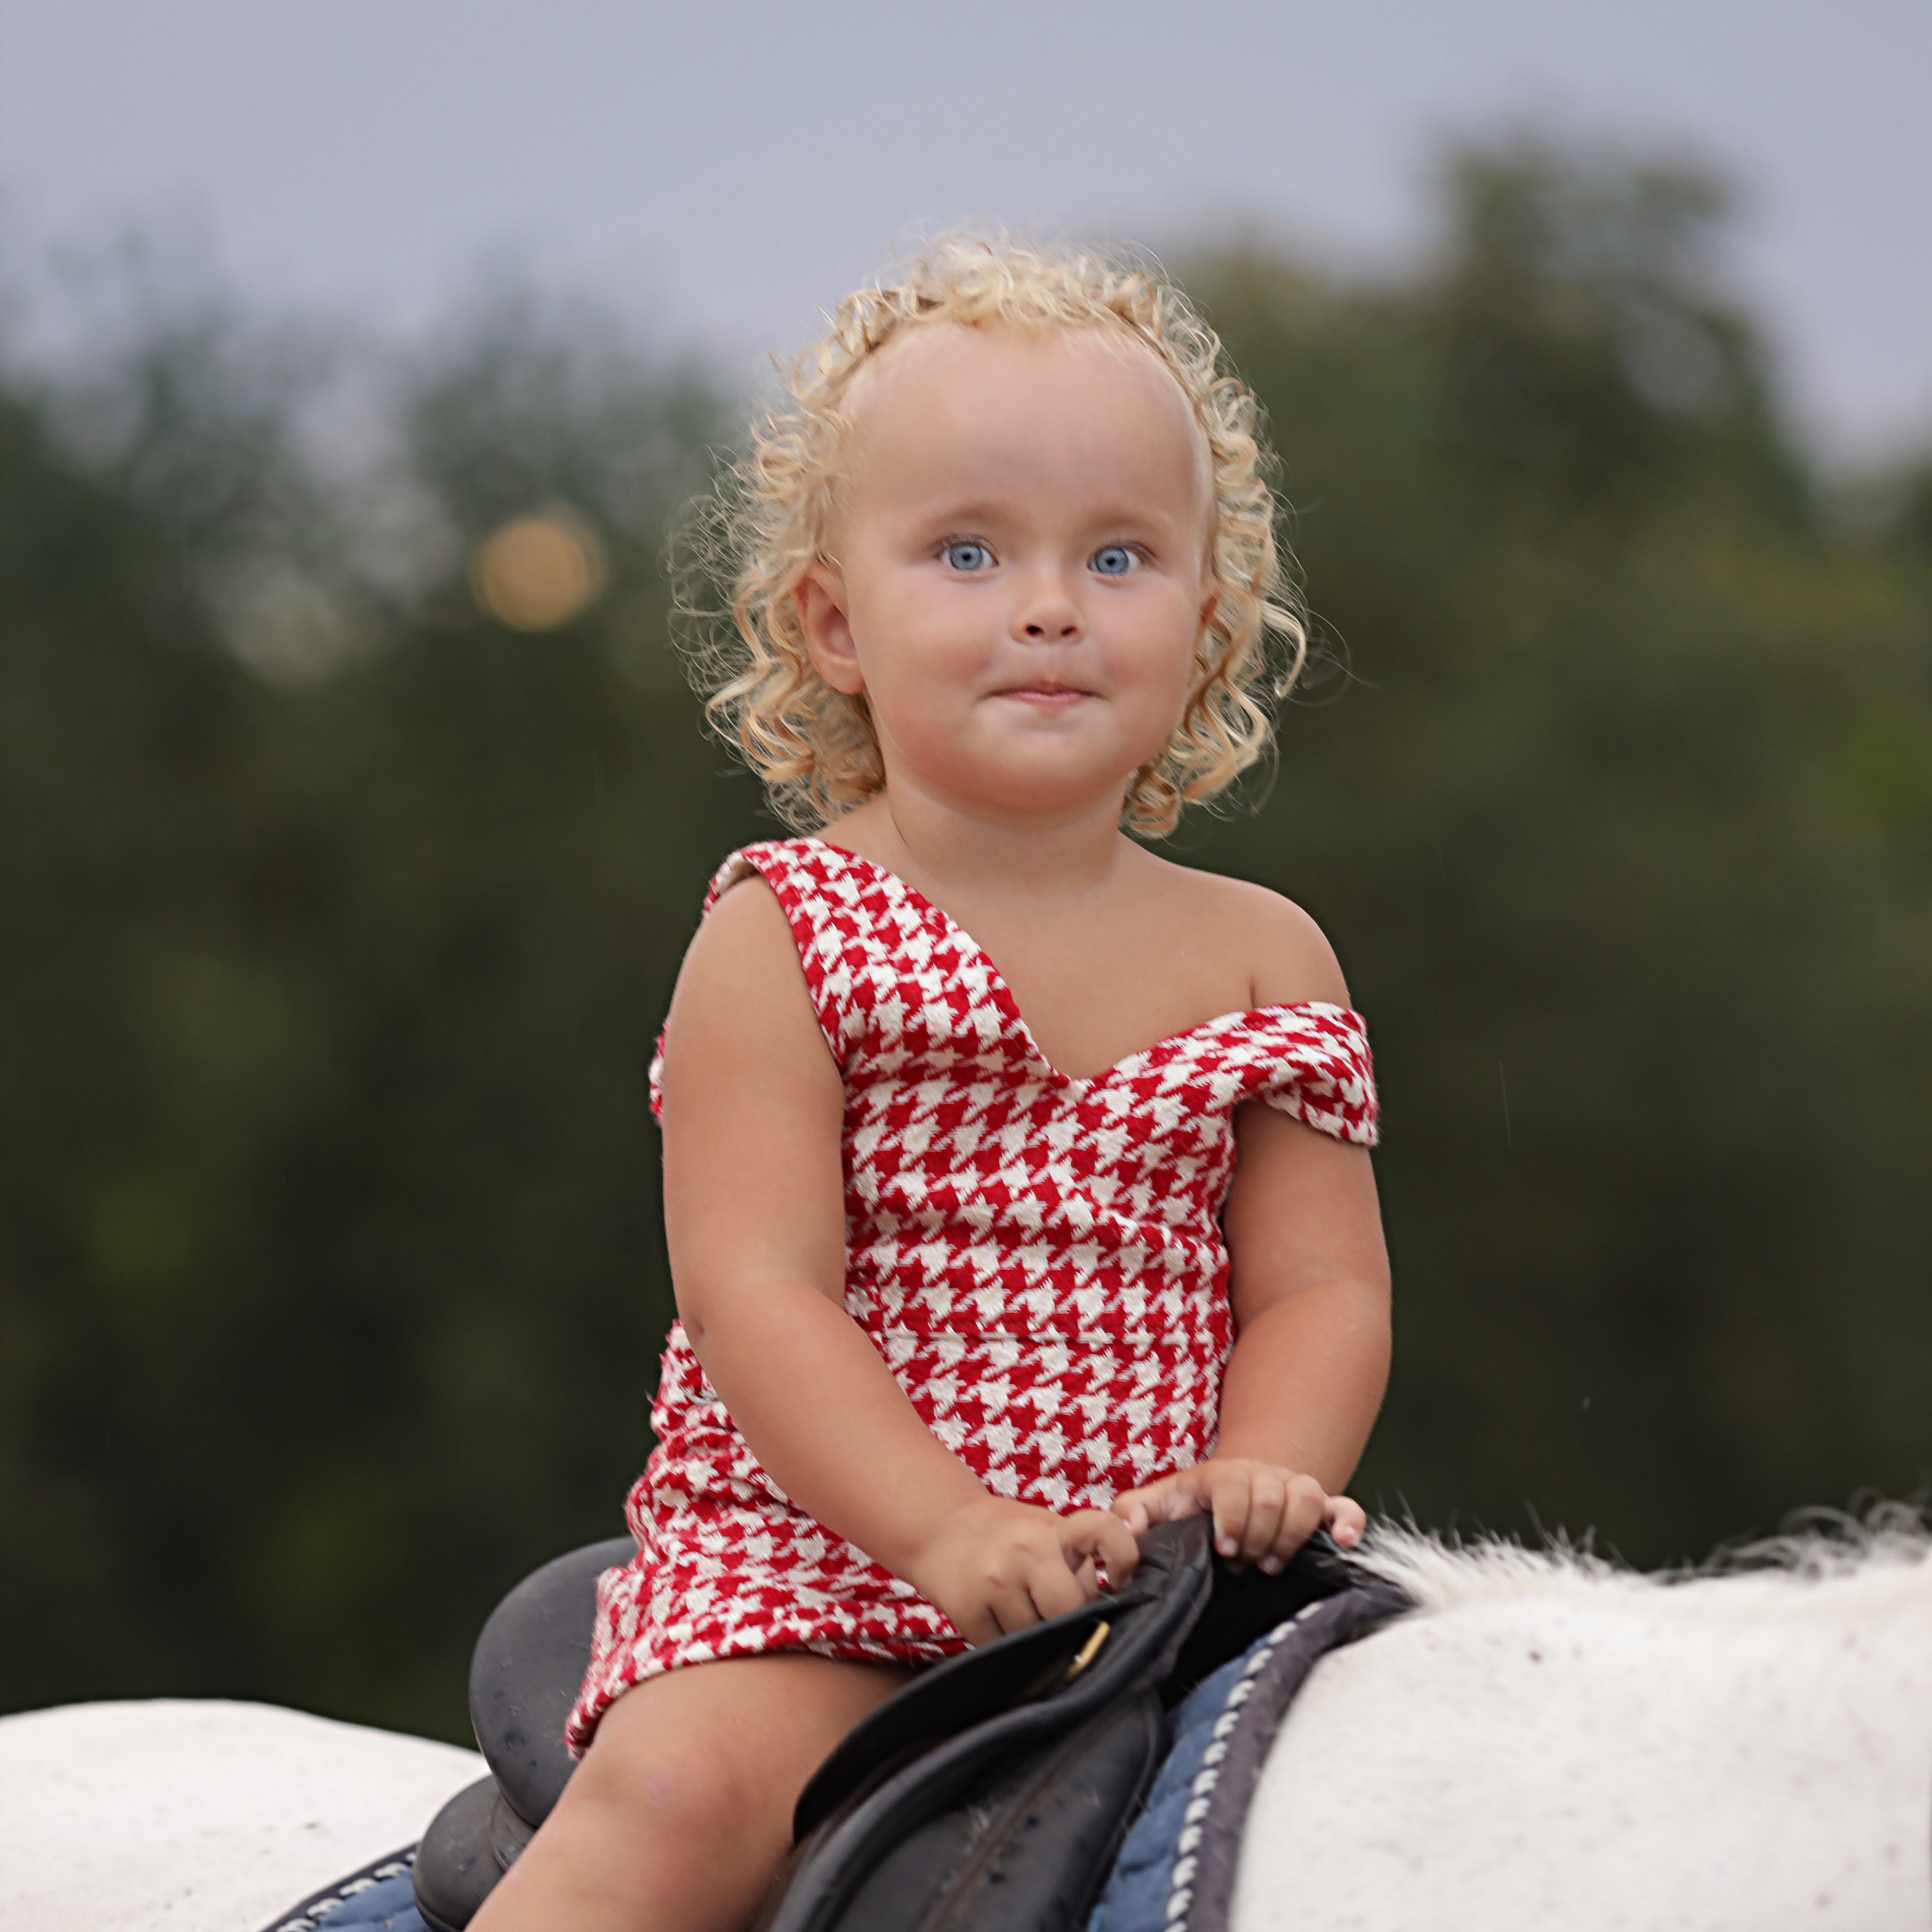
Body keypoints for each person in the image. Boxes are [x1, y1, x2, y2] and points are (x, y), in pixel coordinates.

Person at [471, 238, 1391, 1932]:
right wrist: (946, 1530)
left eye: (1115, 555)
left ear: (1202, 620)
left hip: (1157, 1586)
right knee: (671, 1808)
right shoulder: (786, 931)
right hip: (824, 1574)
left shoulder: (1267, 951)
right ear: (833, 618)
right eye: (966, 551)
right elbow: (754, 1290)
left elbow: (1320, 1282)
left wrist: (1258, 1470)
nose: (1047, 602)